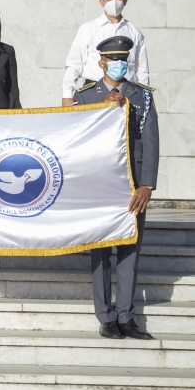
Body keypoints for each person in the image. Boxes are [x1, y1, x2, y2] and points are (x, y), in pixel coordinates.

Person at [72, 36, 158, 341]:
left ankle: (126, 317)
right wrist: (103, 109)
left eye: (124, 58)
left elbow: (151, 142)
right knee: (100, 253)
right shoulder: (85, 96)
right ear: (102, 63)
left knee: (129, 252)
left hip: (132, 186)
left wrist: (147, 184)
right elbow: (76, 140)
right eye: (114, 59)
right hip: (99, 187)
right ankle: (105, 317)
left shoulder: (141, 95)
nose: (120, 63)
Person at [62, 0, 149, 107]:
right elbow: (74, 65)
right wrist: (67, 95)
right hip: (94, 92)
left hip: (127, 93)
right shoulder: (88, 29)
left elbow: (142, 70)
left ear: (125, 1)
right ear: (102, 2)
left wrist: (145, 97)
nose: (114, 2)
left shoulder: (134, 32)